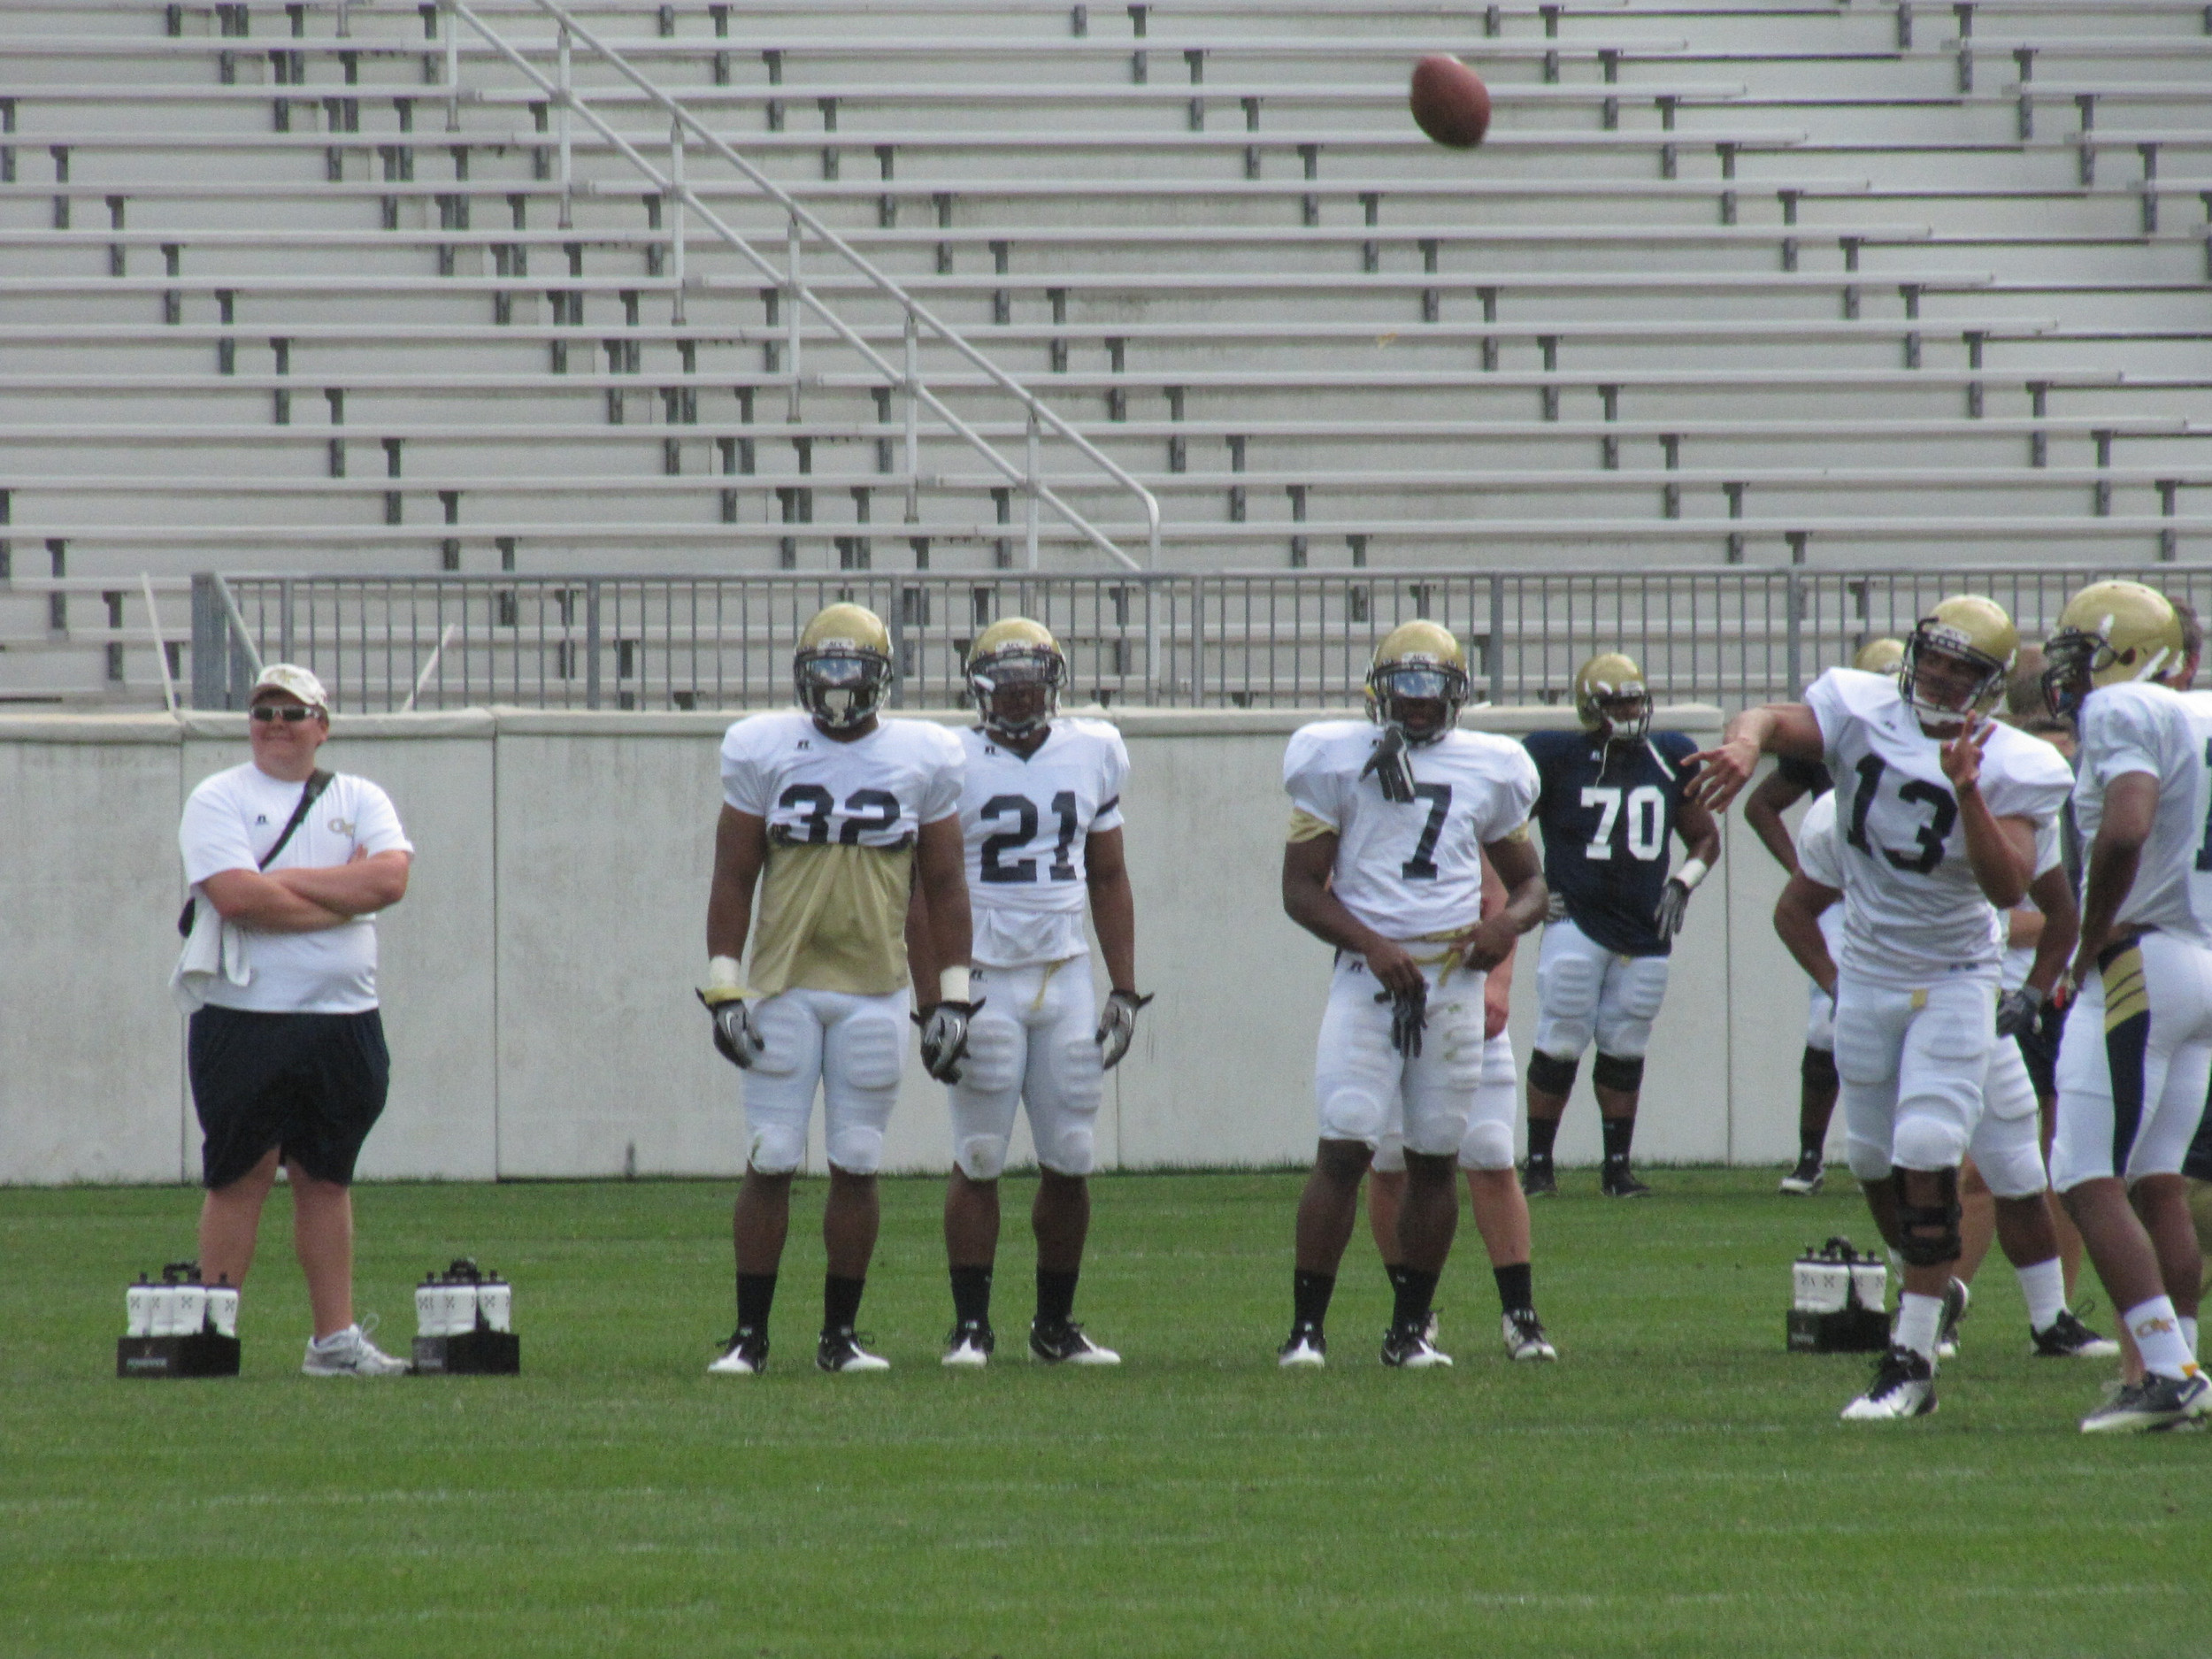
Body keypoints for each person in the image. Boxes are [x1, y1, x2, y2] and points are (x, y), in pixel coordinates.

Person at [1690, 595, 2074, 1420]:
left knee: (1929, 1141)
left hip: (1958, 969)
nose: (1937, 674)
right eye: (1932, 656)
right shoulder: (1860, 706)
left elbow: (2008, 887)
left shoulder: (2014, 761)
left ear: (1988, 685)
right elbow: (1775, 719)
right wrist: (1747, 739)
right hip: (1867, 971)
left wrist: (1967, 792)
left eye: (1959, 667)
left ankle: (1911, 1358)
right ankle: (1926, 1294)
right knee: (1870, 1159)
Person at [700, 603, 972, 1376]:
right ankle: (750, 1336)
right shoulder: (764, 746)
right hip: (783, 981)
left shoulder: (923, 754)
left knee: (857, 1157)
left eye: (855, 668)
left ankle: (839, 1335)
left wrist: (949, 997)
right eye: (828, 666)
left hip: (876, 983)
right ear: (803, 672)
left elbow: (947, 883)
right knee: (773, 1153)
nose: (842, 683)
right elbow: (735, 872)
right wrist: (725, 984)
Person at [1277, 622, 1548, 1369]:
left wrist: (1505, 928)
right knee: (1347, 1139)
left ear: (1457, 695)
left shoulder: (1492, 767)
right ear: (1379, 690)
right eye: (1407, 690)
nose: (1420, 706)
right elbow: (1299, 888)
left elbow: (1531, 884)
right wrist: (1371, 941)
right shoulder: (1335, 758)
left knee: (1436, 1156)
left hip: (1454, 978)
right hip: (1371, 978)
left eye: (1434, 692)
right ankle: (1306, 1329)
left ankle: (1407, 1331)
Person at [1772, 776, 2112, 1368]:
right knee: (1883, 1161)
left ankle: (2048, 1317)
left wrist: (2032, 993)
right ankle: (1929, 1296)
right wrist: (1838, 985)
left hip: (1968, 994)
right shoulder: (1837, 811)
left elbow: (2059, 910)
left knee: (2018, 1161)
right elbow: (1795, 911)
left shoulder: (1998, 792)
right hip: (1885, 1000)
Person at [909, 618, 1145, 1368]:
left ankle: (1055, 1322)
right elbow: (926, 891)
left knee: (1071, 1155)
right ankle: (971, 1324)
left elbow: (1107, 875)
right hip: (981, 978)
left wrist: (1126, 990)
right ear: (980, 691)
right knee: (978, 1153)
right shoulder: (950, 758)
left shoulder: (1093, 749)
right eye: (1005, 685)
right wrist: (933, 1002)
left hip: (1065, 973)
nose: (1018, 697)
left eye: (1030, 683)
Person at [176, 663, 415, 1377]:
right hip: (244, 1018)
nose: (275, 725)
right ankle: (211, 1333)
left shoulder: (360, 795)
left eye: (291, 712)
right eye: (263, 712)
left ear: (322, 725)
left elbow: (390, 879)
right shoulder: (217, 796)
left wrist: (282, 881)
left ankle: (333, 1340)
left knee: (327, 1175)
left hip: (344, 1019)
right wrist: (342, 898)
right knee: (238, 1173)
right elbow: (235, 896)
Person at [2041, 579, 2212, 1431]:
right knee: (2157, 1180)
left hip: (2140, 956)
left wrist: (2088, 939)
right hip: (2202, 960)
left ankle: (2171, 1375)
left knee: (2083, 1173)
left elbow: (2127, 825)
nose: (2068, 669)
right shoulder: (2202, 715)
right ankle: (2177, 1360)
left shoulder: (2126, 712)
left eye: (2083, 650)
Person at [1518, 652, 1721, 1198]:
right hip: (1577, 919)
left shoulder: (1671, 753)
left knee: (1627, 1042)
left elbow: (1706, 837)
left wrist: (1683, 882)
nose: (1632, 710)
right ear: (1591, 708)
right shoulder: (1554, 755)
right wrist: (1533, 888)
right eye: (1618, 702)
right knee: (1561, 1036)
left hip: (1645, 925)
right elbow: (1501, 826)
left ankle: (1617, 1168)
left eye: (1636, 699)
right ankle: (1538, 1166)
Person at [1366, 849, 1557, 1360]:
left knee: (1491, 1153)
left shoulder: (1474, 782)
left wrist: (1498, 983)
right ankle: (1412, 1311)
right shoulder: (1363, 793)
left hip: (1463, 994)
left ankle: (1520, 1313)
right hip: (1385, 999)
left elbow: (1506, 893)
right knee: (1388, 1162)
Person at [1742, 638, 1902, 1194]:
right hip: (1844, 890)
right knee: (1829, 1022)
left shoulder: (1932, 742)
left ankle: (1905, 1156)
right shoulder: (1836, 736)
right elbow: (1760, 804)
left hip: (1907, 896)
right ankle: (1813, 1157)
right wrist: (1803, 870)